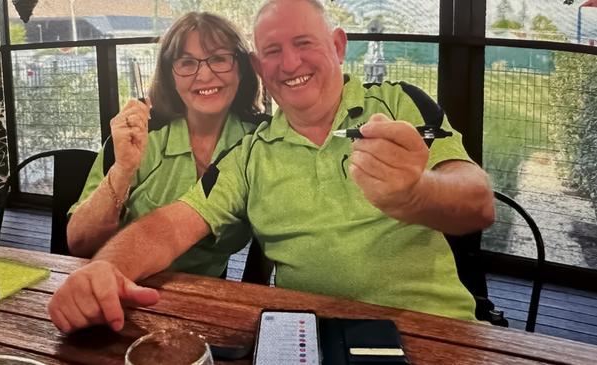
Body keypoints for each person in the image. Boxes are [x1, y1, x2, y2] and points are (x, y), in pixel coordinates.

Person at [48, 0, 495, 333]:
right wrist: (107, 269)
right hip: (309, 334)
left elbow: (479, 204)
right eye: (274, 51)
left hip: (434, 330)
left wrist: (415, 193)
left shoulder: (401, 103)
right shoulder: (249, 152)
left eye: (304, 43)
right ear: (260, 66)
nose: (291, 63)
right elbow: (169, 226)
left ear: (337, 46)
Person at [66, 12, 263, 279]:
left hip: (204, 295)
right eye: (187, 62)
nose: (204, 74)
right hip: (116, 283)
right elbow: (79, 243)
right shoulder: (141, 135)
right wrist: (123, 169)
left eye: (218, 59)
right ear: (170, 75)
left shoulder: (259, 141)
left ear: (241, 67)